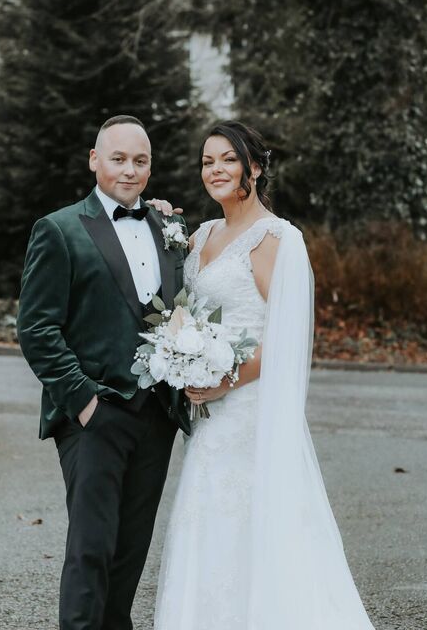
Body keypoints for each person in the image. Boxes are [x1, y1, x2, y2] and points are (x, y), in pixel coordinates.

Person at [154, 120, 376, 630]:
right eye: (207, 161)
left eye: (228, 159)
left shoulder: (277, 239)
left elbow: (285, 340)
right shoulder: (201, 235)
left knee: (254, 523)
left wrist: (224, 380)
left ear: (253, 167)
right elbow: (181, 306)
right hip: (208, 417)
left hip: (250, 413)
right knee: (209, 523)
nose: (215, 170)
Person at [17, 115, 190, 630]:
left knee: (131, 551)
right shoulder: (59, 229)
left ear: (150, 168)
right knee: (91, 548)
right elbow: (37, 329)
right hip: (93, 415)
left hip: (155, 417)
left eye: (140, 161)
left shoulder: (169, 230)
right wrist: (85, 401)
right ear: (95, 160)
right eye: (118, 159)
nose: (129, 170)